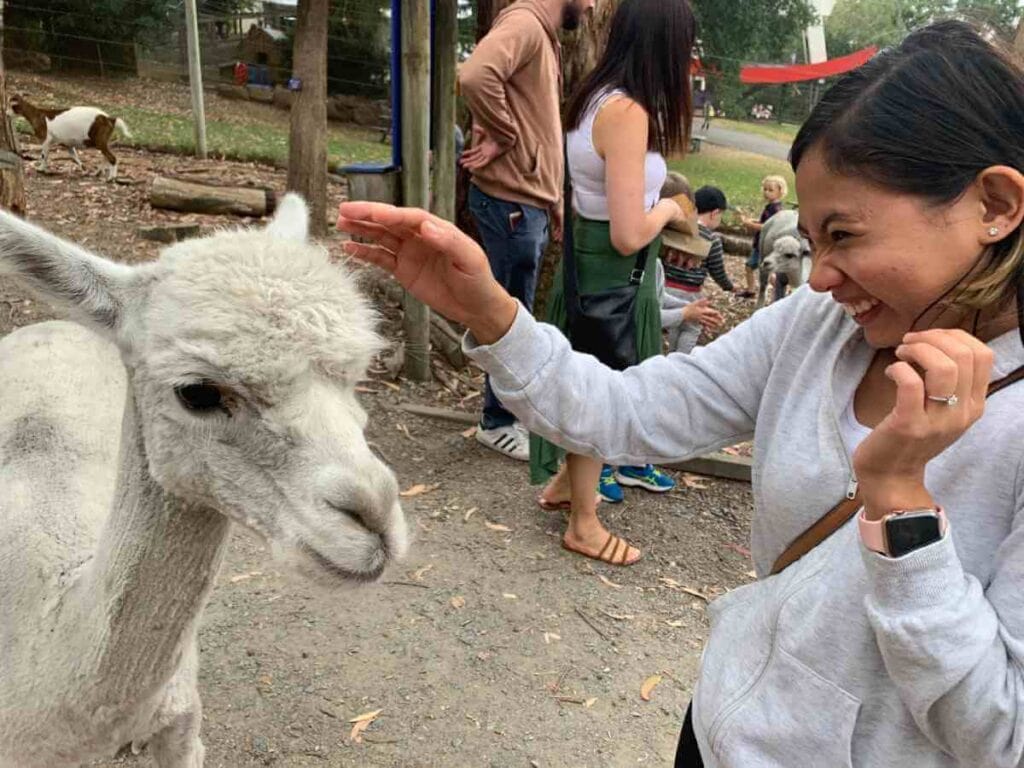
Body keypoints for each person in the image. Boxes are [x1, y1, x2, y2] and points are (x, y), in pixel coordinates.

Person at [339, 19, 1024, 766]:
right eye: (814, 241)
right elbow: (628, 414)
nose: (819, 276)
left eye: (846, 236)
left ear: (994, 204)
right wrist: (491, 313)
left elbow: (1000, 734)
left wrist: (899, 500)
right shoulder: (818, 327)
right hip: (721, 733)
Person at [529, 0, 694, 560]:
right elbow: (628, 233)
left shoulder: (594, 96)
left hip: (587, 265)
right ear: (665, 47)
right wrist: (671, 211)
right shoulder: (626, 112)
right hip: (609, 270)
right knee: (600, 393)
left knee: (586, 378)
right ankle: (584, 521)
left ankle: (562, 486)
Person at [457, 0, 593, 461]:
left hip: (527, 201)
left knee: (515, 313)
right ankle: (496, 421)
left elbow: (543, 125)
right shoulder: (525, 25)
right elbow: (476, 74)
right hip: (509, 202)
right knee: (507, 318)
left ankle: (505, 416)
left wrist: (552, 195)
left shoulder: (541, 34)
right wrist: (506, 134)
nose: (592, 7)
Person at [661, 182, 730, 353]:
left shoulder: (675, 230)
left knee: (677, 322)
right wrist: (729, 286)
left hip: (665, 285)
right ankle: (680, 358)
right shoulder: (712, 239)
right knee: (691, 327)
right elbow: (717, 270)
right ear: (715, 213)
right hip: (689, 291)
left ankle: (671, 356)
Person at [737, 175, 787, 299]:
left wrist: (749, 224)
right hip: (760, 244)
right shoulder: (771, 206)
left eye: (770, 190)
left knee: (766, 273)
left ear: (780, 192)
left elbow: (767, 226)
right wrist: (753, 220)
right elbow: (764, 221)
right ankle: (751, 290)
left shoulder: (776, 209)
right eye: (765, 189)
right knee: (752, 267)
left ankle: (781, 295)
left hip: (765, 246)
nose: (766, 192)